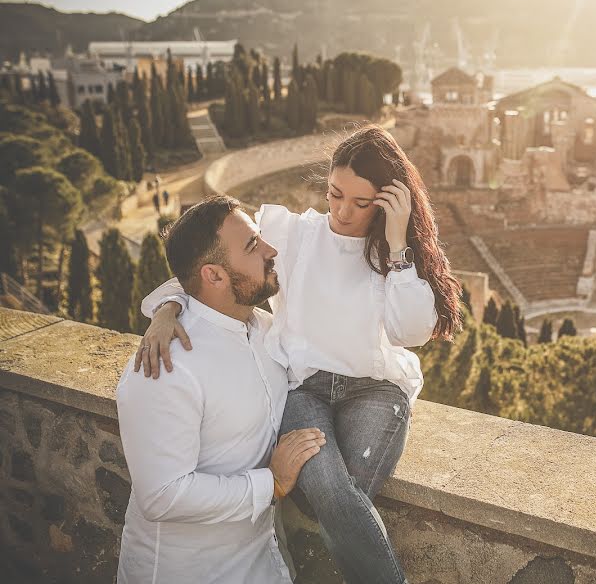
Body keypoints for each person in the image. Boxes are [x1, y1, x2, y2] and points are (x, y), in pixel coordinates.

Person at [137, 124, 462, 584]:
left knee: (336, 494)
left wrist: (396, 244)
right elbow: (209, 264)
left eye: (361, 203)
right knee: (329, 488)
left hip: (376, 390)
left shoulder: (396, 256)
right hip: (305, 388)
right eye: (334, 194)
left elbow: (409, 332)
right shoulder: (292, 233)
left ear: (390, 201)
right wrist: (166, 307)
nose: (344, 212)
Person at [116, 196, 326, 583]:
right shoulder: (164, 365)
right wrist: (272, 483)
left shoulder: (268, 331)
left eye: (259, 238)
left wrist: (169, 304)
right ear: (214, 276)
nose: (270, 250)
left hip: (264, 565)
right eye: (252, 245)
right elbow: (162, 495)